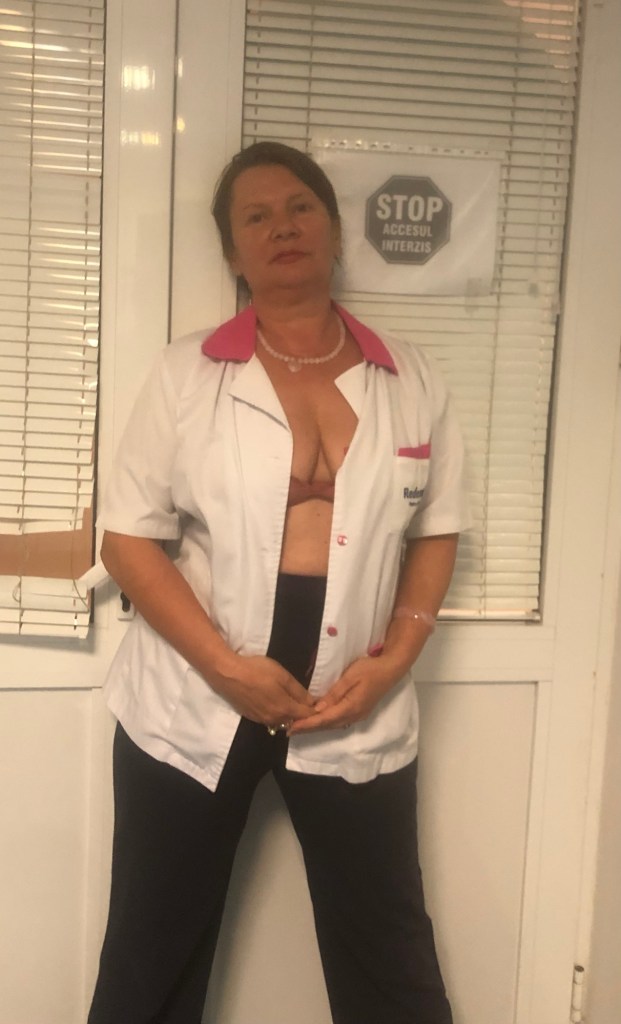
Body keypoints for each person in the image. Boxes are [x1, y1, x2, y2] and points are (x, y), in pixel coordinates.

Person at [87, 141, 469, 1024]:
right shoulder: (187, 372)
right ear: (233, 252)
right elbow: (129, 539)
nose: (281, 227)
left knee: (390, 952)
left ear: (332, 228)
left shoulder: (410, 376)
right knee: (151, 949)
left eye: (299, 207)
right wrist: (226, 668)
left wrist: (401, 654)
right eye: (254, 217)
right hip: (193, 692)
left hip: (354, 694)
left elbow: (436, 527)